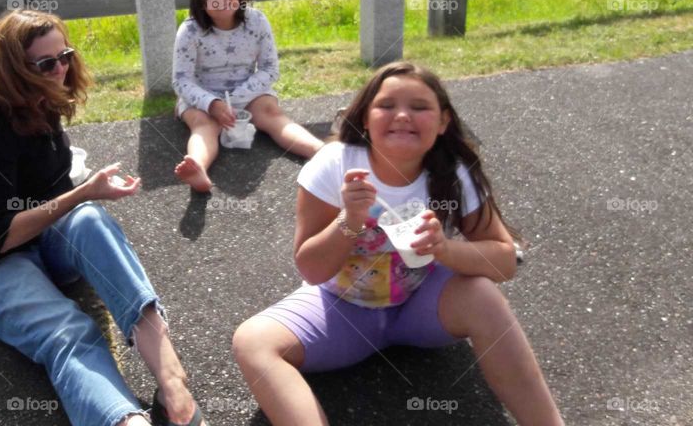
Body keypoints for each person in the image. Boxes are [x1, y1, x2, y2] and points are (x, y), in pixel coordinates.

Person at [231, 61, 564, 425]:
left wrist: (445, 249)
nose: (402, 115)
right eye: (386, 105)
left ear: (443, 122)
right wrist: (349, 220)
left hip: (421, 305)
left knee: (484, 296)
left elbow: (504, 261)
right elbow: (311, 269)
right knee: (253, 342)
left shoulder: (453, 171)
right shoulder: (335, 163)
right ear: (365, 118)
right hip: (342, 308)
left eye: (419, 107)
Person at [0, 9, 205, 426]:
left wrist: (82, 198)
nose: (61, 69)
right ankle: (126, 422)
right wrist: (84, 192)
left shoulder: (43, 98)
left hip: (43, 237)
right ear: (13, 68)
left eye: (64, 56)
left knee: (90, 220)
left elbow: (53, 190)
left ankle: (172, 380)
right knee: (69, 331)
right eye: (46, 63)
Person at [172, 0, 323, 192]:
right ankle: (198, 168)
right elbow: (181, 80)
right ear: (200, 3)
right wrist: (212, 104)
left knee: (272, 114)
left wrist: (238, 97)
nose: (221, 0)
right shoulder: (190, 30)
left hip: (249, 90)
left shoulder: (256, 21)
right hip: (202, 96)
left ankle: (320, 151)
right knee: (204, 125)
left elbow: (269, 68)